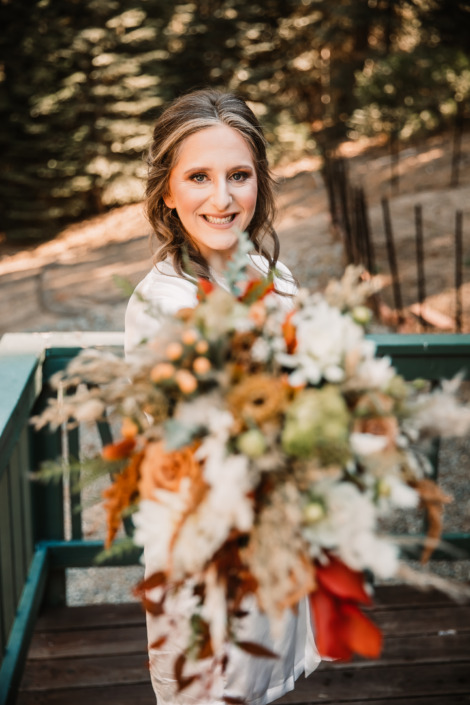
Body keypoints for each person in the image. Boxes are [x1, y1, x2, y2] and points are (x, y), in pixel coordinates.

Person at [124, 88, 320, 705]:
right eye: (198, 177)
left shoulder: (276, 279)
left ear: (260, 179)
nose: (222, 198)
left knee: (265, 684)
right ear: (167, 190)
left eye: (239, 175)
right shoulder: (162, 305)